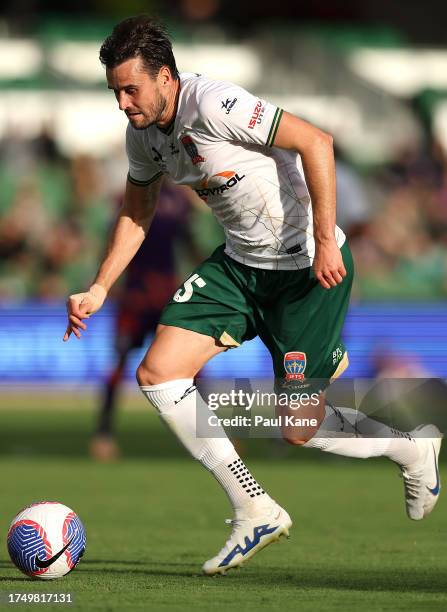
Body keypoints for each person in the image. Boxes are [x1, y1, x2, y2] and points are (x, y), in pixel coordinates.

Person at [64, 16, 442, 575]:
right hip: (240, 267)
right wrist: (99, 286)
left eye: (130, 89)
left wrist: (324, 240)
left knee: (297, 429)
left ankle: (413, 448)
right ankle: (252, 507)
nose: (122, 103)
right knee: (158, 373)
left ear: (165, 78)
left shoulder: (214, 104)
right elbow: (137, 209)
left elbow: (317, 141)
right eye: (115, 91)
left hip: (306, 272)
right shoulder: (142, 134)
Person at [90, 179, 200, 461]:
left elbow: (186, 241)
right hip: (136, 294)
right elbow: (114, 240)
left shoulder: (179, 199)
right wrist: (105, 283)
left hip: (167, 294)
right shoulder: (130, 192)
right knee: (121, 360)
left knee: (193, 365)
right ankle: (104, 433)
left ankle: (207, 433)